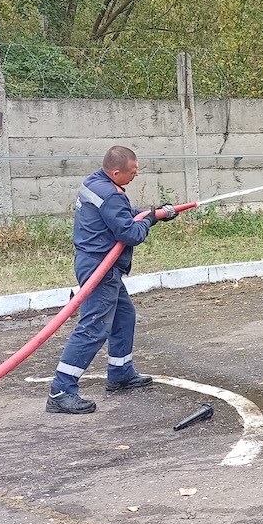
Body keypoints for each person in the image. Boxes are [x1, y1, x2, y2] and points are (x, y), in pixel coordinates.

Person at [46, 145, 179, 414]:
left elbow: (119, 214)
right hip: (100, 268)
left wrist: (155, 213)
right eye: (132, 171)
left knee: (124, 316)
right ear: (116, 172)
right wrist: (150, 220)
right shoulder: (111, 194)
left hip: (96, 263)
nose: (136, 175)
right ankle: (61, 390)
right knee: (94, 327)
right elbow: (131, 234)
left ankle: (120, 373)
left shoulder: (96, 182)